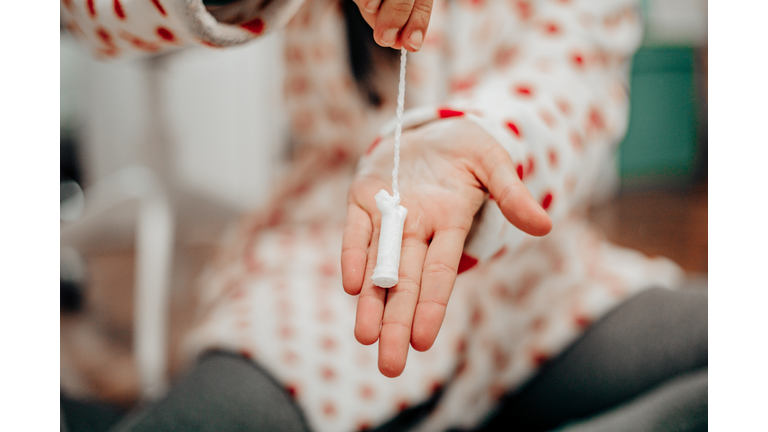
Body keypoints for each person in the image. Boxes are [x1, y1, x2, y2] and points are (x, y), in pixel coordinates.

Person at [61, 0, 707, 430]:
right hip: (332, 264)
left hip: (531, 283)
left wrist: (476, 145)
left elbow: (575, 79)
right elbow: (89, 19)